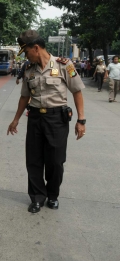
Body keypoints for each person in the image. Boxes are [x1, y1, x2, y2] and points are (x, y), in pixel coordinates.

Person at [7, 30, 86, 214]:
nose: (26, 56)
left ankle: (52, 195)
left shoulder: (64, 66)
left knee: (56, 161)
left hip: (57, 119)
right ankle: (37, 197)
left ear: (36, 48)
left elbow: (77, 92)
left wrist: (81, 120)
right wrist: (16, 119)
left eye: (26, 52)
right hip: (35, 118)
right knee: (33, 160)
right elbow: (24, 97)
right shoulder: (28, 69)